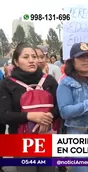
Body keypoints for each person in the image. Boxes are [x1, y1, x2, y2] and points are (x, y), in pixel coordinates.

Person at [0, 43, 59, 172]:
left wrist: (48, 116)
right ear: (16, 61)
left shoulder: (49, 81)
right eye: (26, 57)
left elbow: (60, 106)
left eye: (34, 56)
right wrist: (30, 116)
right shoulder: (6, 84)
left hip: (47, 138)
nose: (32, 60)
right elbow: (4, 115)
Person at [56, 42, 88, 172]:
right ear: (72, 61)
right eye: (81, 57)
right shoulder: (66, 83)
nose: (86, 60)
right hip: (79, 134)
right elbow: (64, 112)